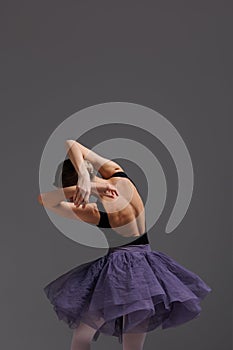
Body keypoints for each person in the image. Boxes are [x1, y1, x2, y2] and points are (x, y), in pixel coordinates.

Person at [39, 139, 212, 350]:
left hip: (118, 271)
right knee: (133, 346)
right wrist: (87, 177)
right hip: (146, 268)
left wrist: (80, 185)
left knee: (82, 336)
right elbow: (71, 143)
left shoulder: (93, 213)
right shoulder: (118, 173)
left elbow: (44, 200)